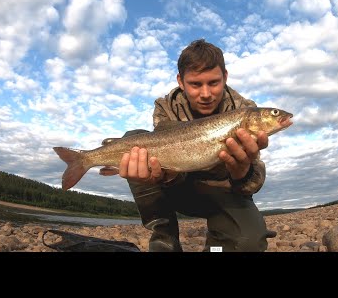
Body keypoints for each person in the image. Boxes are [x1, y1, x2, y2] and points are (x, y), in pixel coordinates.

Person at [100, 39, 272, 252]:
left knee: (249, 241)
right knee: (136, 140)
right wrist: (161, 175)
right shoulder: (166, 108)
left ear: (225, 77)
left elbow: (253, 184)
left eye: (214, 83)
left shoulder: (245, 111)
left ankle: (215, 248)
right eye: (196, 84)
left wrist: (242, 174)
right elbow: (171, 164)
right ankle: (165, 239)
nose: (206, 94)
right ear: (181, 81)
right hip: (177, 188)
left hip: (222, 193)